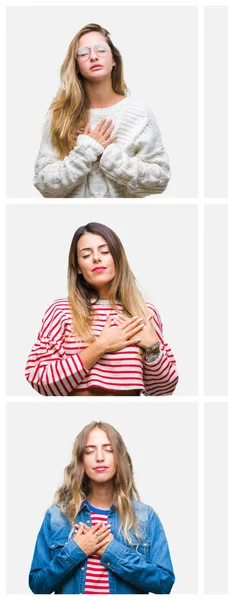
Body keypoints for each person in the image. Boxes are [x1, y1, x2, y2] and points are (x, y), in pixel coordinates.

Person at [25, 222, 178, 396]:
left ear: (118, 258)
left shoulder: (144, 313)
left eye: (105, 252)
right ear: (78, 267)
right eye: (86, 255)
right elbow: (38, 377)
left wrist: (153, 347)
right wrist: (101, 346)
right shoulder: (61, 310)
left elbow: (164, 390)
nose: (96, 258)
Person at [29, 421, 175, 594]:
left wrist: (111, 551)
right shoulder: (56, 516)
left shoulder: (145, 516)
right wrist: (77, 550)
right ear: (81, 460)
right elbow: (38, 585)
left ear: (119, 457)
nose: (99, 457)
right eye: (90, 451)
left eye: (109, 449)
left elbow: (164, 583)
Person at [34, 23, 170, 198]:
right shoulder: (60, 114)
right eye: (83, 53)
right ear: (75, 65)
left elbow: (160, 180)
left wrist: (107, 154)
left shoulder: (139, 113)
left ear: (114, 60)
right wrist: (87, 151)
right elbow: (43, 184)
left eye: (101, 50)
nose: (93, 57)